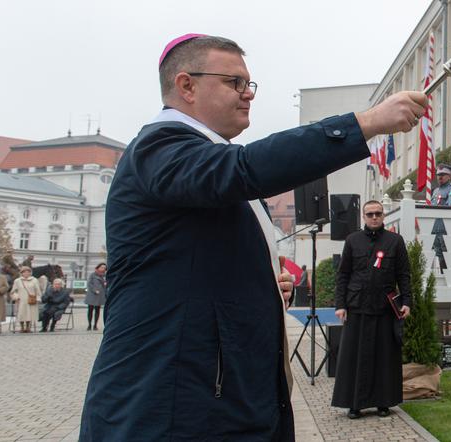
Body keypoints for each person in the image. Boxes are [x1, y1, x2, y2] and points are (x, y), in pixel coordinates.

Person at [79, 34, 427, 441]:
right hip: (172, 406)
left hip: (217, 398)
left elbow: (197, 263)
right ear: (186, 85)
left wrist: (261, 283)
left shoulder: (200, 156)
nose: (248, 95)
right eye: (234, 83)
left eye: (249, 84)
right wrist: (365, 123)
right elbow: (245, 168)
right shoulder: (160, 146)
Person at [332, 200, 412, 419]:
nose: (374, 217)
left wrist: (407, 302)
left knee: (384, 358)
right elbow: (343, 275)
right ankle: (354, 404)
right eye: (370, 214)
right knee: (354, 358)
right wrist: (340, 305)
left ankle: (383, 403)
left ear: (383, 215)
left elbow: (404, 274)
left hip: (385, 308)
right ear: (364, 217)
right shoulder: (352, 240)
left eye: (378, 213)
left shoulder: (395, 241)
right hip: (357, 307)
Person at [431, 164, 451, 272]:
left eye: (443, 175)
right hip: (435, 227)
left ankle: (448, 278)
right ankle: (442, 276)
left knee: (447, 253)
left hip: (446, 228)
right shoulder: (435, 191)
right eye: (438, 175)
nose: (440, 177)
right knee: (438, 253)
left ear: (449, 176)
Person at [10, 266, 41, 333]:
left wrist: (38, 298)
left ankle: (28, 327)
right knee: (21, 314)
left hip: (31, 300)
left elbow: (38, 290)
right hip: (21, 300)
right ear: (22, 273)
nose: (26, 273)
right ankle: (22, 327)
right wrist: (16, 297)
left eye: (28, 272)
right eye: (24, 272)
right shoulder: (17, 281)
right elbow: (13, 291)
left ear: (30, 273)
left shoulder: (35, 280)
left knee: (29, 314)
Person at [84, 263, 106, 331]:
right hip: (92, 294)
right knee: (90, 310)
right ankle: (89, 325)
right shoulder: (92, 275)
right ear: (98, 267)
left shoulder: (104, 276)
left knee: (97, 310)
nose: (103, 269)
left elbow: (105, 284)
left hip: (100, 295)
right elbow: (89, 284)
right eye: (101, 267)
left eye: (104, 268)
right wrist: (94, 290)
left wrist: (105, 284)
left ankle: (95, 325)